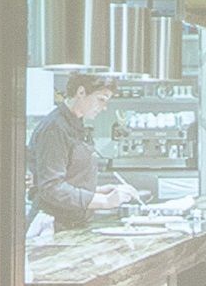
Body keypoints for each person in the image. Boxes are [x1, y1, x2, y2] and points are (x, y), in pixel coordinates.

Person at [27, 70, 132, 229]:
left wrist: (98, 191)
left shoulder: (76, 124)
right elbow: (52, 188)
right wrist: (105, 201)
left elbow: (70, 179)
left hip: (74, 224)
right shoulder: (55, 128)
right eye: (101, 99)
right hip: (53, 226)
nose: (104, 107)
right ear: (81, 92)